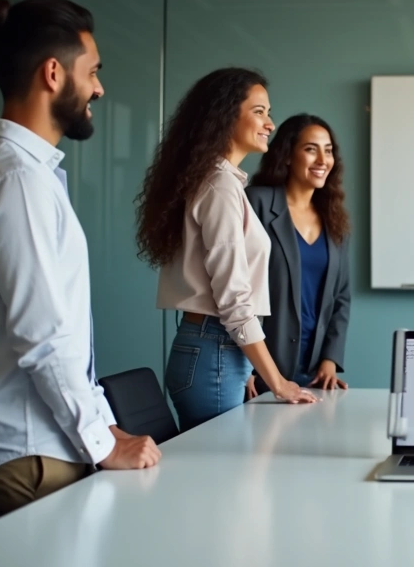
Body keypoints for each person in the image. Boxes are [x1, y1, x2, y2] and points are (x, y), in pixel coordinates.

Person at [0, 0, 160, 513]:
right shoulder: (17, 180)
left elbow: (61, 334)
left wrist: (104, 425)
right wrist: (103, 443)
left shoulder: (17, 172)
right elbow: (44, 337)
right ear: (53, 74)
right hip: (32, 456)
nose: (99, 89)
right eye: (93, 72)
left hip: (44, 444)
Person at [134, 67, 317, 432]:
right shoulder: (219, 185)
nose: (270, 123)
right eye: (259, 111)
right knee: (224, 466)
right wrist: (277, 381)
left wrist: (247, 365)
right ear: (225, 114)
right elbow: (233, 297)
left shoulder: (221, 182)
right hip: (214, 348)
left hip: (217, 349)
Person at [245, 114, 352, 395]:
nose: (322, 160)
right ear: (287, 155)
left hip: (313, 373)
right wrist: (244, 367)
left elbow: (341, 297)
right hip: (260, 370)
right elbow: (234, 289)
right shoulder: (256, 202)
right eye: (310, 149)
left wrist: (330, 358)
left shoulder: (334, 219)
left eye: (328, 150)